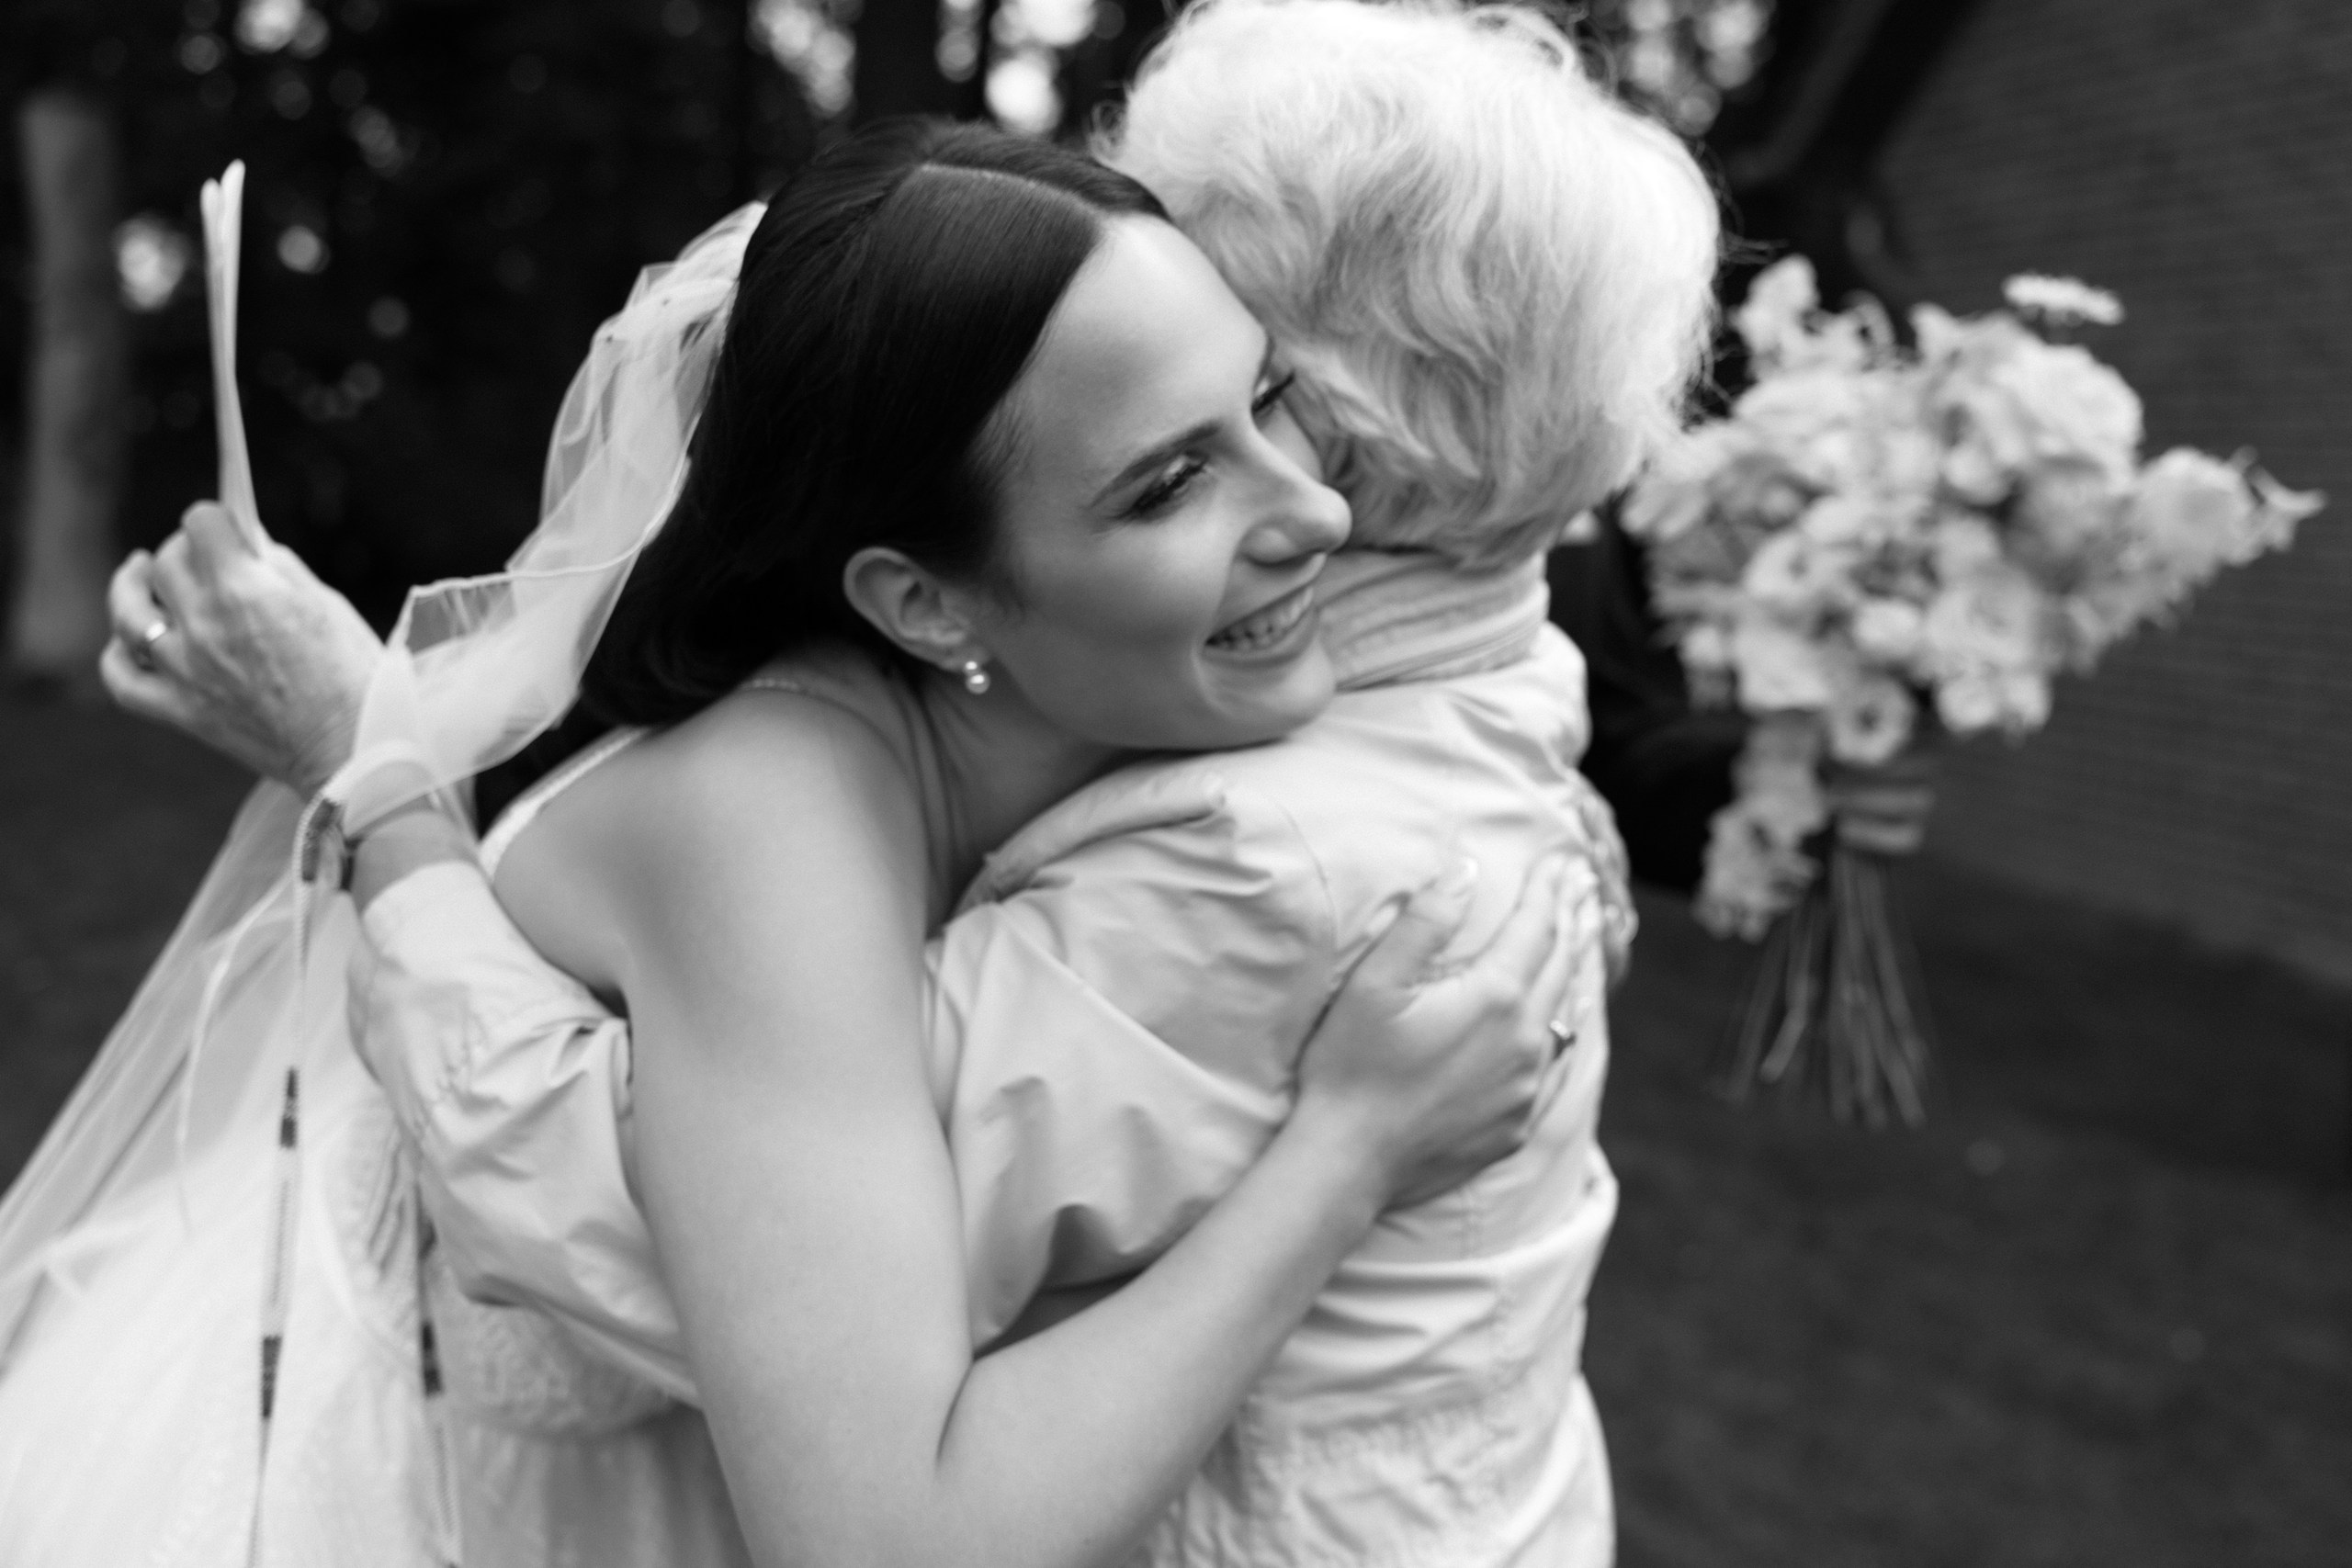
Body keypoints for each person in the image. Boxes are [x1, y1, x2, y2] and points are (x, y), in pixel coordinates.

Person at [85, 2, 1722, 1561]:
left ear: (1347, 422)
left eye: (1266, 398)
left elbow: (733, 1258)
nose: (1296, 498)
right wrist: (373, 780)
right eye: (1176, 456)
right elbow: (774, 1295)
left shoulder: (1240, 815)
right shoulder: (1445, 678)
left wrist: (379, 784)